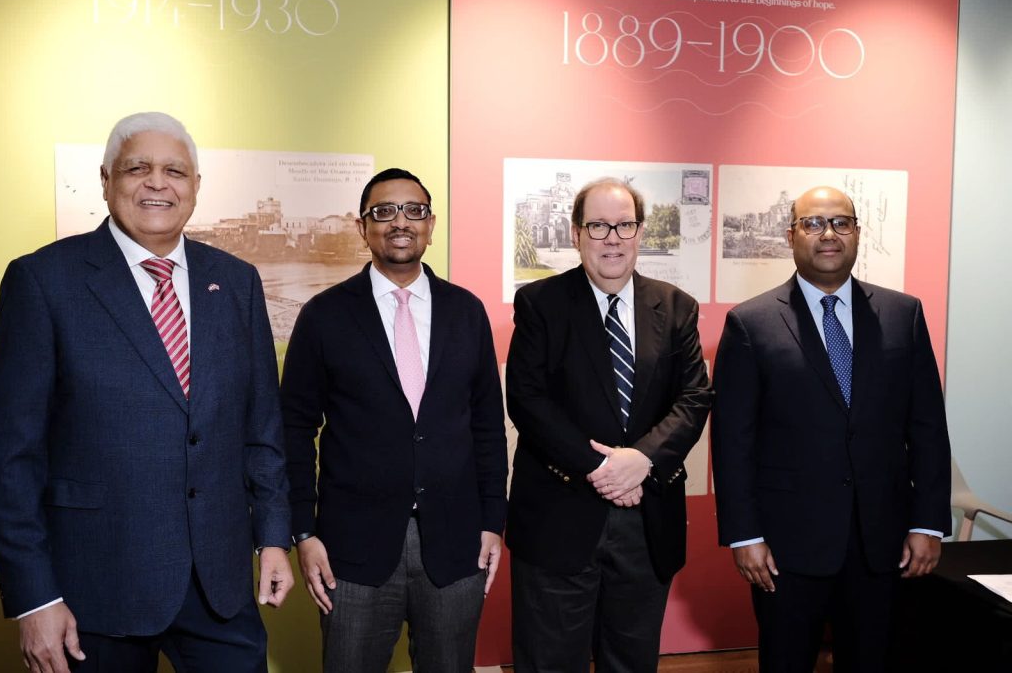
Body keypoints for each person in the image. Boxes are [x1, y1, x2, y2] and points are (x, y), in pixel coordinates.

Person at [0, 112, 294, 673]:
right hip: (94, 590)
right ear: (106, 180)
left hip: (219, 587)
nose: (158, 183)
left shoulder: (237, 282)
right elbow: (9, 458)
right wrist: (34, 598)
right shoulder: (42, 281)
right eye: (137, 168)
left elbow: (262, 429)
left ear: (195, 186)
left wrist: (272, 537)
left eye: (175, 171)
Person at [711, 185, 951, 672]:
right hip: (786, 548)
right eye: (814, 223)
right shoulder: (750, 323)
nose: (829, 234)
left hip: (881, 543)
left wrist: (927, 523)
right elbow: (733, 442)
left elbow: (927, 426)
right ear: (790, 235)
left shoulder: (903, 315)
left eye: (841, 223)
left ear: (857, 233)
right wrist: (744, 535)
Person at [280, 167, 507, 672]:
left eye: (414, 211)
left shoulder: (466, 312)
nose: (400, 222)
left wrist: (494, 521)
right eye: (384, 212)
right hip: (351, 550)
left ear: (431, 224)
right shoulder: (324, 315)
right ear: (362, 227)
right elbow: (293, 430)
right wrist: (303, 531)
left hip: (456, 544)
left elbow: (488, 427)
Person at [504, 177, 713, 671]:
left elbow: (694, 397)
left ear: (640, 232)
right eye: (598, 226)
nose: (612, 238)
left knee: (632, 662)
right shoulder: (540, 304)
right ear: (576, 234)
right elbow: (528, 400)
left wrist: (642, 459)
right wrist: (603, 469)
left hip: (647, 520)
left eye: (624, 225)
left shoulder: (676, 307)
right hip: (559, 518)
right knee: (550, 663)